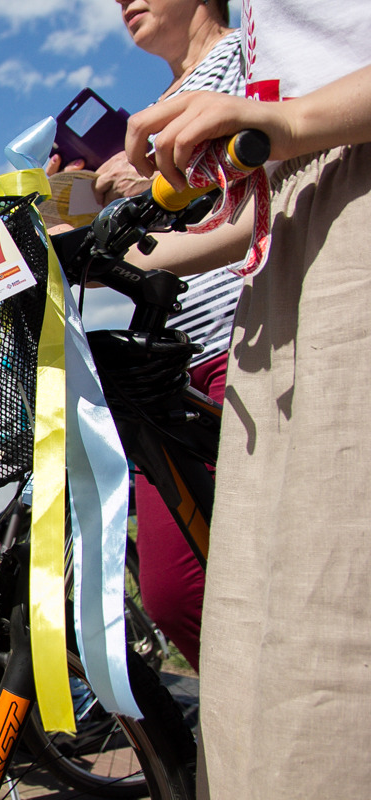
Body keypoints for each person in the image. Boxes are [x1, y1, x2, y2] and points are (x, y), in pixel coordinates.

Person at [121, 3, 371, 796]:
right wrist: (114, 251)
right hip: (286, 272)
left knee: (329, 619)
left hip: (333, 267)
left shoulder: (242, 60)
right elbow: (262, 207)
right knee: (263, 632)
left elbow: (292, 138)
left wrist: (287, 121)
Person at [52, 0, 244, 673]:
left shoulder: (244, 60)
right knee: (172, 591)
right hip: (176, 364)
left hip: (242, 343)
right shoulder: (158, 105)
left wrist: (141, 212)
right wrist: (78, 199)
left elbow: (261, 201)